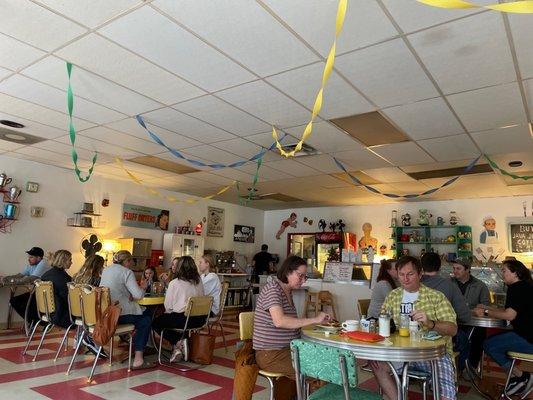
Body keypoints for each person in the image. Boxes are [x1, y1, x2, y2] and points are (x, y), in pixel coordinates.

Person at [371, 256, 458, 400]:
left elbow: (452, 329)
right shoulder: (392, 296)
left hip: (432, 355)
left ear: (420, 274)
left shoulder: (436, 297)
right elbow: (384, 321)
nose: (405, 279)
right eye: (401, 274)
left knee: (445, 388)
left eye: (410, 274)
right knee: (376, 363)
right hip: (401, 353)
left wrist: (431, 323)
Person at [253, 255, 329, 400]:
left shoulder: (287, 292)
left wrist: (316, 323)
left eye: (305, 277)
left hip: (287, 350)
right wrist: (314, 320)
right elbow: (280, 321)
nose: (302, 280)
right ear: (288, 271)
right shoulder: (273, 289)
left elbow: (291, 323)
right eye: (300, 276)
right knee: (317, 369)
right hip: (270, 354)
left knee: (324, 361)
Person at [474, 260, 533, 396]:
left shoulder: (516, 288)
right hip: (526, 335)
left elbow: (509, 315)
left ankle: (522, 376)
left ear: (515, 273)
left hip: (528, 338)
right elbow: (510, 310)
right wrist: (487, 307)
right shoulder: (525, 286)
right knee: (496, 342)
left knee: (489, 344)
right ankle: (517, 379)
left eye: (504, 270)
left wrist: (486, 312)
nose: (502, 274)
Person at [100, 250, 153, 370]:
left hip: (107, 313)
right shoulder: (127, 272)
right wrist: (143, 287)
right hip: (119, 314)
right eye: (131, 262)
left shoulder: (106, 270)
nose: (132, 265)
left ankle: (136, 341)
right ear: (127, 261)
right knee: (146, 319)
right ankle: (139, 357)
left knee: (145, 315)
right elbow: (138, 295)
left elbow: (114, 289)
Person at [152, 256, 206, 362]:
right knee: (173, 319)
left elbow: (168, 306)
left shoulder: (174, 283)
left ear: (179, 268)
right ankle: (181, 344)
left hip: (183, 319)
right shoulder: (198, 281)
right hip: (199, 319)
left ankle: (177, 343)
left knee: (156, 322)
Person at [451, 257, 491, 375]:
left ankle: (471, 367)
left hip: (472, 323)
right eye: (454, 268)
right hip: (453, 323)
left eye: (458, 268)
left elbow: (485, 307)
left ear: (468, 270)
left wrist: (478, 310)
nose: (455, 271)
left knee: (479, 334)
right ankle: (455, 366)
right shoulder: (448, 283)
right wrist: (473, 311)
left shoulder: (480, 286)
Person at [1, 247, 50, 324]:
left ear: (39, 258)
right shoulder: (31, 265)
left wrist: (12, 281)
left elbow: (31, 278)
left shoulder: (43, 263)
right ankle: (34, 321)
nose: (28, 259)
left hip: (46, 295)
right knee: (14, 301)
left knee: (19, 302)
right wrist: (6, 278)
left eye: (31, 257)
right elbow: (20, 275)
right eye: (29, 257)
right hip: (37, 293)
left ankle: (40, 322)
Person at [40, 250, 72, 329]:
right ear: (63, 261)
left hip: (47, 312)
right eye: (70, 260)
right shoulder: (63, 278)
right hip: (62, 315)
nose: (72, 262)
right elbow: (67, 297)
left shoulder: (46, 274)